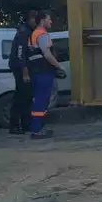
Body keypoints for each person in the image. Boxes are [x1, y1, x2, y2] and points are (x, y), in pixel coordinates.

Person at [27, 11, 65, 139]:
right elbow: (47, 54)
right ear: (42, 20)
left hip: (38, 71)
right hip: (43, 72)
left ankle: (38, 128)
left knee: (40, 100)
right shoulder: (42, 35)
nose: (51, 22)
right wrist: (59, 66)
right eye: (49, 19)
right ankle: (36, 130)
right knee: (41, 100)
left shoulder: (34, 34)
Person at [8, 10, 37, 135]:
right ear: (30, 19)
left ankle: (26, 124)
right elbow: (20, 54)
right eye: (36, 20)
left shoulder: (28, 31)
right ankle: (14, 125)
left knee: (27, 96)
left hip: (25, 67)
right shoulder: (23, 33)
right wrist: (25, 72)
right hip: (20, 68)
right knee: (21, 96)